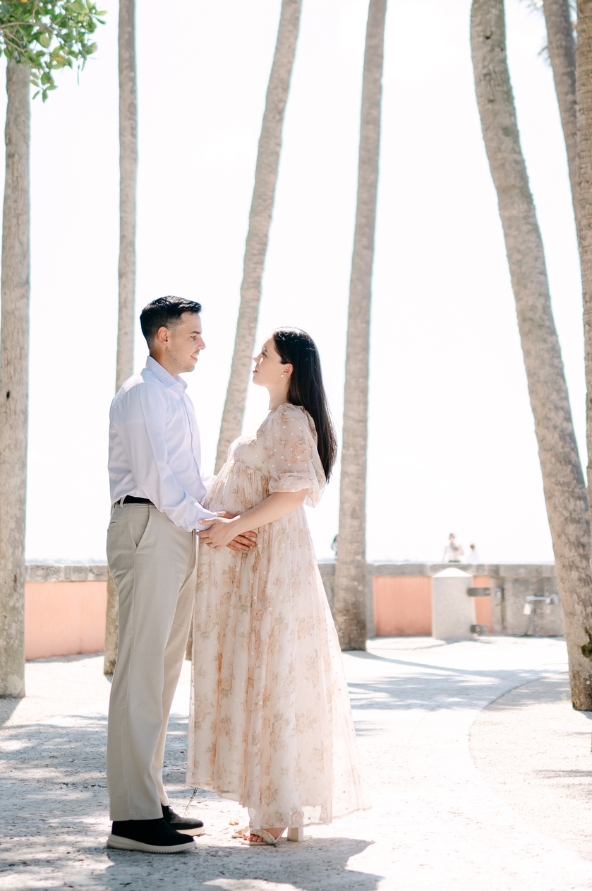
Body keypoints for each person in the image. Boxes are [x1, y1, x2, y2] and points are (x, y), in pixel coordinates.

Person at [189, 327, 367, 845]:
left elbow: (294, 492)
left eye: (263, 354)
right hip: (265, 562)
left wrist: (233, 527)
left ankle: (271, 817)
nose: (255, 359)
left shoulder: (289, 419)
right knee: (273, 679)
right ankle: (276, 810)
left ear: (287, 367)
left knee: (271, 678)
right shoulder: (278, 419)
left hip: (271, 564)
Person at [104, 294, 252, 856]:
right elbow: (155, 477)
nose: (202, 344)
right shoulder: (142, 394)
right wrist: (209, 520)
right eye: (193, 334)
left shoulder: (171, 396)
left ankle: (148, 800)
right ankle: (131, 820)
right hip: (148, 525)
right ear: (163, 336)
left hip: (172, 530)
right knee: (141, 672)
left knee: (161, 673)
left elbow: (185, 478)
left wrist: (213, 515)